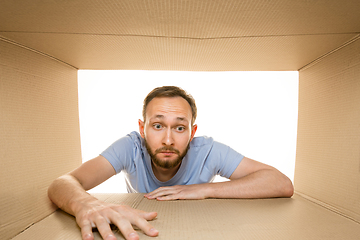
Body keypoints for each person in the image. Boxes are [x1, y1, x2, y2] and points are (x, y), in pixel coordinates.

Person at [48, 86, 294, 240]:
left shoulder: (208, 150)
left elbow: (281, 183)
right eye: (157, 126)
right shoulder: (129, 147)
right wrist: (87, 205)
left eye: (179, 127)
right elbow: (63, 182)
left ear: (192, 131)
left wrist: (204, 189)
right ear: (142, 129)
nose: (168, 139)